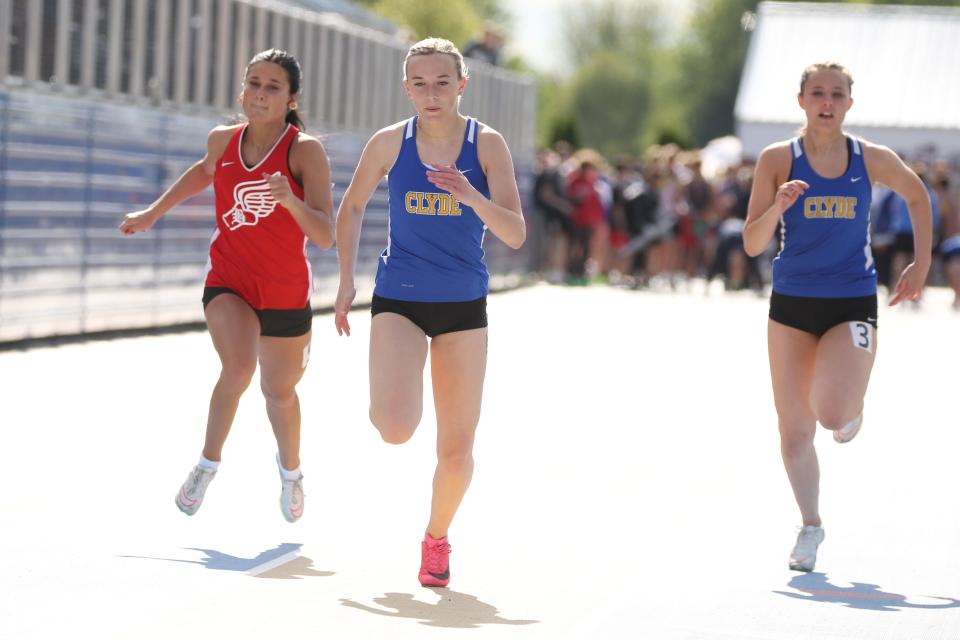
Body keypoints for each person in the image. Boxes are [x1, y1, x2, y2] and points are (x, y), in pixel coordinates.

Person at [333, 37, 525, 588]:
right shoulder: (391, 142)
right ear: (406, 87)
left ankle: (436, 538)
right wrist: (346, 280)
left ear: (462, 84)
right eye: (419, 83)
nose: (431, 93)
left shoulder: (486, 145)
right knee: (395, 427)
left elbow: (514, 232)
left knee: (456, 451)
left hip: (463, 305)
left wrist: (471, 194)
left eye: (442, 82)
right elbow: (351, 205)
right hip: (401, 295)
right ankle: (392, 399)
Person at [119, 49, 334, 523]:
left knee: (279, 393)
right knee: (237, 367)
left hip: (284, 291)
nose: (259, 93)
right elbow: (203, 172)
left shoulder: (304, 151)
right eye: (253, 82)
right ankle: (206, 466)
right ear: (242, 88)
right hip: (229, 279)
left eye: (272, 86)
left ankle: (292, 474)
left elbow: (324, 235)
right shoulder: (222, 141)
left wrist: (289, 202)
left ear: (291, 98)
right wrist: (152, 214)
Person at [742, 62, 932, 572]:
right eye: (818, 93)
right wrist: (777, 207)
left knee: (831, 413)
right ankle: (810, 525)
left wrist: (923, 261)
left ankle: (849, 407)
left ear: (850, 103)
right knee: (794, 432)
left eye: (837, 94)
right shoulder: (778, 159)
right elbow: (752, 241)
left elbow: (918, 195)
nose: (827, 102)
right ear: (800, 100)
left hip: (850, 298)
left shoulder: (868, 158)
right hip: (791, 304)